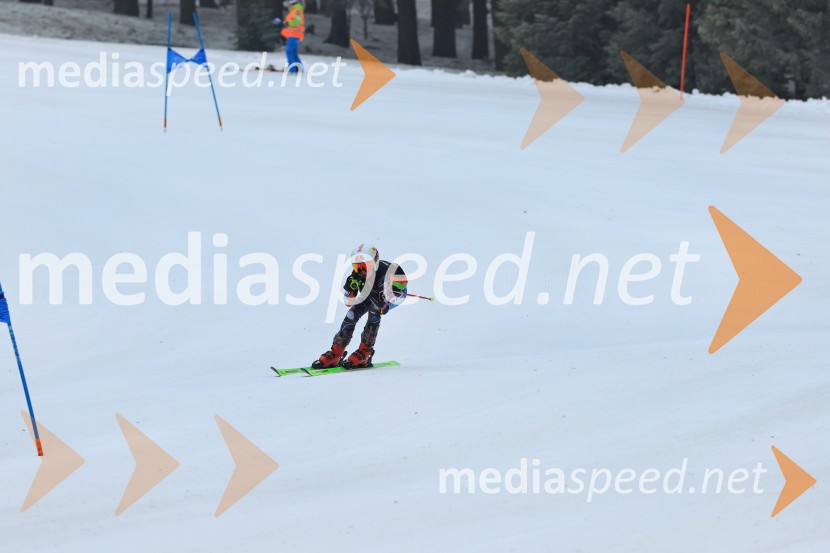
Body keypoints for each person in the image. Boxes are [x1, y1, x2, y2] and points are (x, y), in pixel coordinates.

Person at [314, 244, 408, 369]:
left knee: (375, 311)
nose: (362, 270)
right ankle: (337, 352)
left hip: (394, 295)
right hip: (371, 295)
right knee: (351, 314)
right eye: (357, 266)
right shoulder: (357, 274)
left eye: (365, 265)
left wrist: (382, 294)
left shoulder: (390, 270)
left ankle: (365, 352)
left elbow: (383, 307)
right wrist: (350, 288)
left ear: (375, 261)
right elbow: (349, 302)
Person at [276, 0, 305, 74]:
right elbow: (291, 22)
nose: (287, 6)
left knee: (289, 52)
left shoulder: (297, 10)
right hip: (293, 34)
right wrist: (283, 23)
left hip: (294, 34)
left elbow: (297, 22)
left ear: (291, 3)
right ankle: (298, 69)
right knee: (293, 52)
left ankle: (292, 70)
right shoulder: (294, 10)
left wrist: (287, 23)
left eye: (287, 3)